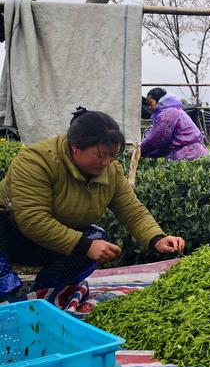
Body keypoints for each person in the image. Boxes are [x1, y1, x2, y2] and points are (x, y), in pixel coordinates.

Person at [0, 107, 185, 297]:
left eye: (112, 155)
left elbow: (132, 210)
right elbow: (33, 220)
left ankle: (44, 293)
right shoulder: (37, 162)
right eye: (100, 155)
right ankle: (6, 293)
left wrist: (157, 239)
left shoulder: (111, 171)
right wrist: (85, 245)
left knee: (98, 239)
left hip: (55, 241)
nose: (107, 162)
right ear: (75, 147)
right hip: (11, 236)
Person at [142, 88, 210, 161]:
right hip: (192, 152)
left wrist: (140, 150)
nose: (149, 107)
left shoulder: (168, 113)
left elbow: (156, 138)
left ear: (159, 100)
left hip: (189, 154)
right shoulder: (172, 110)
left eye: (150, 103)